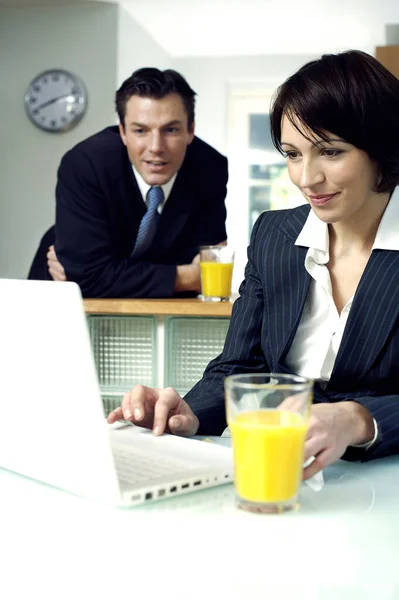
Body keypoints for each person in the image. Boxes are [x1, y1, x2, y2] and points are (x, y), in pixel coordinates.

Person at [107, 49, 399, 480]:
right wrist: (189, 411)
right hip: (279, 470)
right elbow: (240, 366)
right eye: (293, 154)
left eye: (330, 152)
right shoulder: (275, 235)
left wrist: (357, 418)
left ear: (382, 147)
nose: (305, 179)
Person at [27, 68, 228, 297]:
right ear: (122, 131)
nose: (156, 147)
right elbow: (87, 276)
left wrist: (100, 275)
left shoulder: (210, 168)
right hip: (61, 295)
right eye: (140, 130)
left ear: (190, 130)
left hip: (159, 309)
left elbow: (209, 266)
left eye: (171, 130)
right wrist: (185, 277)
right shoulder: (86, 164)